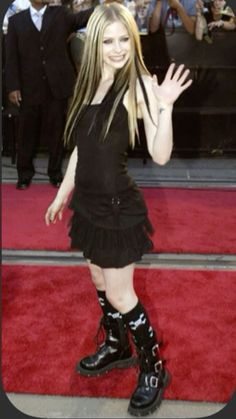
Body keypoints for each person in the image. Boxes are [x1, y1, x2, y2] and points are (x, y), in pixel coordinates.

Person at [45, 3, 192, 416]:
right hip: (89, 205)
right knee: (97, 276)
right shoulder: (89, 81)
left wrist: (165, 106)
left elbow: (160, 155)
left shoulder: (139, 84)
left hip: (116, 208)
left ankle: (152, 367)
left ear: (134, 39)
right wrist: (62, 195)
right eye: (107, 40)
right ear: (94, 42)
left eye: (124, 39)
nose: (116, 48)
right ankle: (115, 344)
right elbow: (80, 149)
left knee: (120, 292)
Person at [5, 0, 93, 190]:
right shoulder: (16, 21)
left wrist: (107, 4)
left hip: (57, 86)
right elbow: (11, 58)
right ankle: (24, 174)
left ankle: (55, 173)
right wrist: (13, 86)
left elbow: (82, 18)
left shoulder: (60, 14)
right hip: (28, 88)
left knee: (56, 133)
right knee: (26, 133)